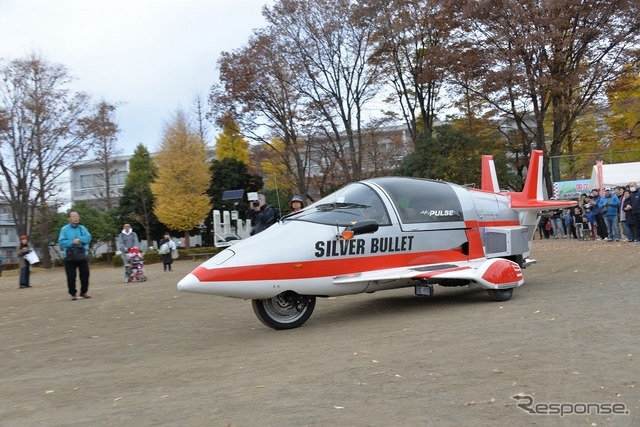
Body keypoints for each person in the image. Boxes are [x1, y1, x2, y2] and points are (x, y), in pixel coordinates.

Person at [58, 211, 92, 300]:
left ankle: (84, 292)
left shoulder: (82, 228)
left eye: (77, 216)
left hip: (82, 254)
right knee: (71, 276)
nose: (76, 218)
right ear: (69, 219)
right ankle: (73, 293)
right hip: (69, 256)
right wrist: (72, 242)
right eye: (73, 216)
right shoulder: (64, 229)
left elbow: (88, 237)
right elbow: (61, 242)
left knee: (85, 274)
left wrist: (80, 240)